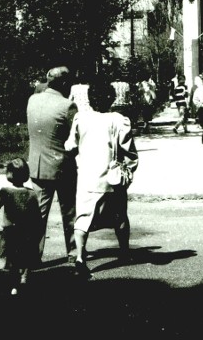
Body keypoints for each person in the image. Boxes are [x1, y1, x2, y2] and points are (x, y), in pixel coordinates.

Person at [64, 81, 138, 279]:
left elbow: (70, 146)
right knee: (120, 216)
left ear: (90, 99)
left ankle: (80, 257)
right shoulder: (119, 120)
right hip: (112, 177)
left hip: (88, 177)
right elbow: (129, 150)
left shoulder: (81, 118)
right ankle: (124, 252)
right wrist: (129, 170)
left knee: (83, 218)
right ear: (112, 98)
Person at [25, 66, 79, 262]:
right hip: (62, 166)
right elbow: (75, 138)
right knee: (69, 213)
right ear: (64, 83)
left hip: (37, 165)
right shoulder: (67, 106)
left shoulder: (32, 100)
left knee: (38, 215)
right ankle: (73, 253)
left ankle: (33, 255)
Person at [0, 158, 42, 295]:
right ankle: (24, 278)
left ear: (9, 174)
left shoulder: (4, 192)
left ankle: (14, 285)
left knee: (11, 259)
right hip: (26, 233)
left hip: (10, 232)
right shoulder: (31, 193)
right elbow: (36, 216)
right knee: (25, 257)